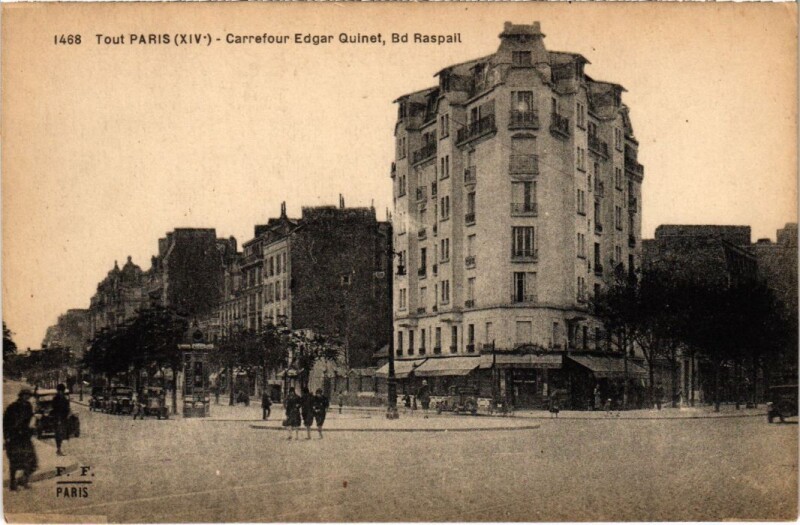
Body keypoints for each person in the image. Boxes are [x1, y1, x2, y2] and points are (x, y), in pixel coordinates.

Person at [4, 388, 37, 490]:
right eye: (25, 395)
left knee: (32, 460)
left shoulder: (28, 406)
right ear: (21, 395)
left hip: (25, 437)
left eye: (29, 395)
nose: (27, 397)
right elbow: (5, 423)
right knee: (14, 461)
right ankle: (13, 484)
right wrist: (7, 437)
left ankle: (24, 480)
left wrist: (35, 421)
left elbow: (31, 419)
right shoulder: (12, 407)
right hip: (15, 437)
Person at [52, 383, 71, 456]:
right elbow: (55, 409)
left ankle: (60, 449)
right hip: (57, 418)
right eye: (59, 391)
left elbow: (67, 407)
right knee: (58, 434)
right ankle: (58, 449)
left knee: (63, 434)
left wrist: (67, 414)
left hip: (63, 418)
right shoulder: (55, 399)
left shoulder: (65, 399)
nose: (60, 392)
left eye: (61, 391)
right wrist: (58, 418)